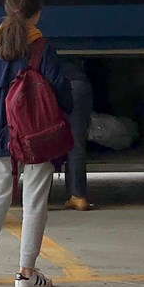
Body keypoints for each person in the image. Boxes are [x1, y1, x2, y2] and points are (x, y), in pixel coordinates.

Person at [0, 0, 73, 287]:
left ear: (7, 7)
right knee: (34, 200)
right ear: (37, 14)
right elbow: (62, 91)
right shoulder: (41, 47)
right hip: (37, 136)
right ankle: (26, 273)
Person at [59, 56, 93, 211]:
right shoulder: (45, 46)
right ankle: (78, 196)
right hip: (80, 86)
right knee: (76, 143)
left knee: (42, 141)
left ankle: (37, 197)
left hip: (57, 88)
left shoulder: (29, 50)